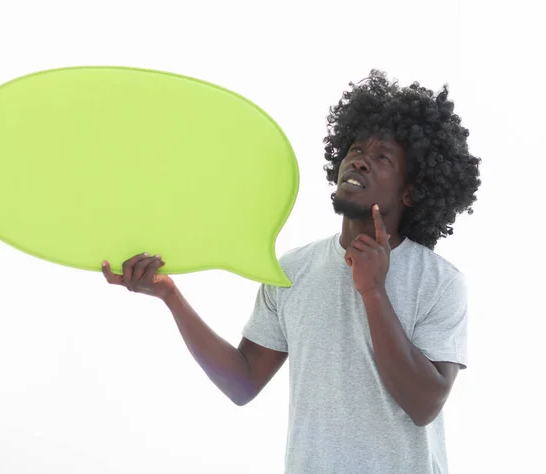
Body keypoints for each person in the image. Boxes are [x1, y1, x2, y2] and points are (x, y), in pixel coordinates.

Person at [101, 69, 482, 474]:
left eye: (382, 157)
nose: (360, 161)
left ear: (410, 191)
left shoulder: (440, 282)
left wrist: (373, 292)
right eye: (355, 149)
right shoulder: (294, 271)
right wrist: (169, 296)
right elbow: (242, 383)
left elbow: (425, 404)